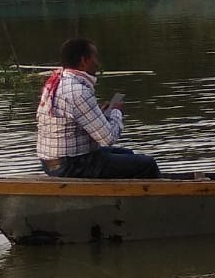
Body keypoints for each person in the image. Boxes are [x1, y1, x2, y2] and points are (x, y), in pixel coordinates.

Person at [35, 37, 160, 178]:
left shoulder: (59, 81)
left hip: (52, 162)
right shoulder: (78, 91)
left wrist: (101, 115)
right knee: (147, 164)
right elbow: (108, 139)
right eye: (95, 57)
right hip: (70, 165)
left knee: (128, 155)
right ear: (84, 61)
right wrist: (116, 112)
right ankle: (159, 196)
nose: (97, 63)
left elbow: (73, 124)